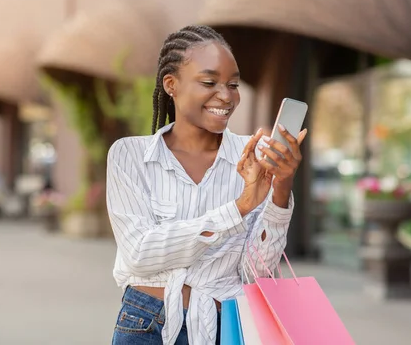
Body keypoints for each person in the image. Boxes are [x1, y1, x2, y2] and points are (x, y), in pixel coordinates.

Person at [106, 25, 307, 345]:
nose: (226, 96)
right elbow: (139, 254)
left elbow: (255, 273)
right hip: (147, 324)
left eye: (233, 84)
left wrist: (280, 189)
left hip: (224, 325)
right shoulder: (130, 155)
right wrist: (238, 208)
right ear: (171, 84)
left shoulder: (253, 158)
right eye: (209, 82)